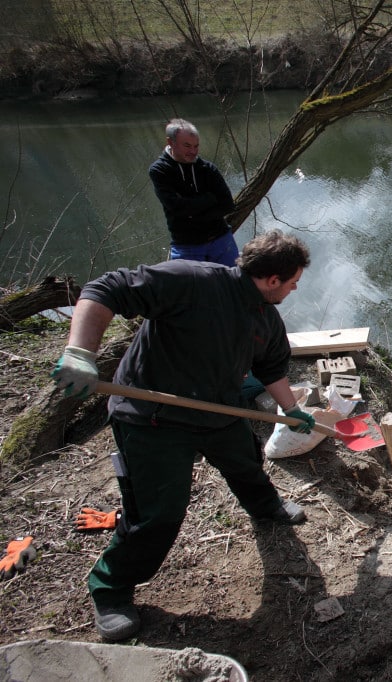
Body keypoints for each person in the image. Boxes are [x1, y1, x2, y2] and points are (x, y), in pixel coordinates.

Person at [50, 230, 317, 641]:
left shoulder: (265, 317)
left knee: (246, 461)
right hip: (152, 417)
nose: (296, 288)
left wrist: (292, 410)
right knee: (159, 512)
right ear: (273, 279)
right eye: (294, 280)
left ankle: (266, 508)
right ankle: (111, 588)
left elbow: (273, 368)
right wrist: (81, 352)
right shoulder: (192, 281)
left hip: (216, 408)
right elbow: (106, 288)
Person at [149, 118, 238, 266]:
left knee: (234, 285)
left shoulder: (208, 169)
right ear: (171, 142)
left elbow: (228, 205)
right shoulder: (160, 171)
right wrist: (209, 199)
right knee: (192, 289)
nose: (193, 151)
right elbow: (176, 207)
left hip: (221, 241)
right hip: (187, 246)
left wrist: (191, 214)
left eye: (196, 146)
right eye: (187, 146)